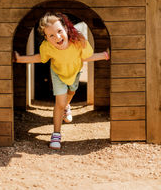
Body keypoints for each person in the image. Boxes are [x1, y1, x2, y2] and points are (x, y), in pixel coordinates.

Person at [13, 12, 110, 150]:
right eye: (51, 35)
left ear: (66, 29)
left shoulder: (76, 42)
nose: (57, 37)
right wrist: (20, 59)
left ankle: (67, 107)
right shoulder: (48, 47)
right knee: (60, 103)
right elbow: (38, 58)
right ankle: (56, 134)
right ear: (46, 37)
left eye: (59, 31)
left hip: (74, 73)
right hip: (58, 74)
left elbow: (86, 56)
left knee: (71, 92)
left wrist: (99, 52)